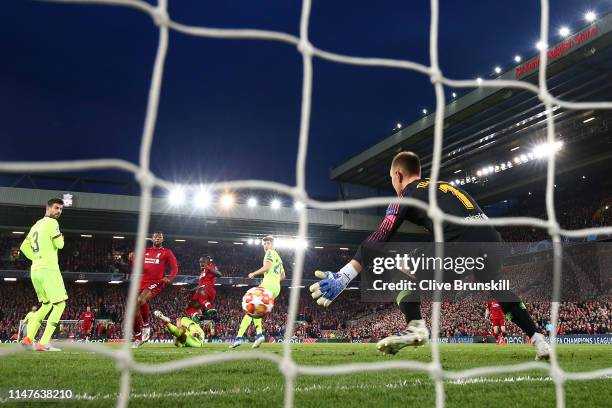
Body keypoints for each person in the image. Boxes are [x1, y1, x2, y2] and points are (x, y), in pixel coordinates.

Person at [309, 151, 550, 360]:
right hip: (492, 242)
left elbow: (382, 234)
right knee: (498, 289)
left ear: (398, 176)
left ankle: (415, 326)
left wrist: (345, 274)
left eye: (392, 179)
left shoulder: (405, 195)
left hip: (460, 244)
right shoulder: (445, 186)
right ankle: (539, 339)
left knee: (398, 264)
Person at [19, 198, 68, 351]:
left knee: (46, 305)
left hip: (36, 270)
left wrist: (37, 257)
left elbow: (23, 247)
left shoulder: (36, 225)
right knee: (60, 304)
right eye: (56, 208)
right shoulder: (53, 223)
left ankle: (28, 339)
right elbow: (60, 245)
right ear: (48, 208)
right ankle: (43, 342)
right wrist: (62, 238)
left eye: (60, 209)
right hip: (49, 269)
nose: (59, 211)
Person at [230, 236, 285, 349]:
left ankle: (241, 338)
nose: (266, 246)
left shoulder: (270, 252)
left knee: (250, 309)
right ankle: (258, 335)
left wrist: (254, 273)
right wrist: (274, 281)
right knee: (256, 311)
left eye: (268, 243)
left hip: (268, 284)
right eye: (264, 244)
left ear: (272, 245)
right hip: (276, 288)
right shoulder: (279, 258)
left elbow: (267, 266)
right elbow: (283, 276)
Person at [129, 231, 179, 348]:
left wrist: (169, 278)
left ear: (162, 239)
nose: (157, 239)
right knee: (134, 307)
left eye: (159, 237)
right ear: (152, 239)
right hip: (142, 281)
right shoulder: (146, 251)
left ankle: (146, 326)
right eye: (155, 237)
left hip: (157, 282)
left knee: (140, 300)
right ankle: (138, 337)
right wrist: (132, 260)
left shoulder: (167, 252)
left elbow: (175, 268)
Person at [186, 255, 221, 319]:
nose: (201, 264)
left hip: (208, 289)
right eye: (200, 262)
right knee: (191, 305)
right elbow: (199, 285)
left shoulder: (211, 266)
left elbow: (219, 274)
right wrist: (190, 290)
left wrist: (208, 268)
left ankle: (210, 309)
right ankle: (198, 317)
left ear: (207, 262)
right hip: (204, 289)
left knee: (200, 295)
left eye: (202, 262)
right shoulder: (202, 273)